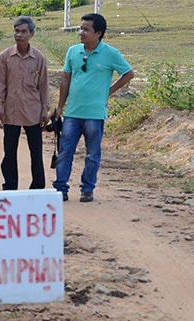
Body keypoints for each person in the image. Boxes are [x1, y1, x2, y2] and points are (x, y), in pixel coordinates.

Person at [52, 13, 134, 202]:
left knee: (92, 154)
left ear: (98, 33)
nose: (81, 32)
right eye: (81, 28)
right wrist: (59, 107)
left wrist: (109, 91)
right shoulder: (73, 51)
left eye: (86, 29)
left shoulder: (111, 53)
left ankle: (87, 189)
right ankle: (60, 188)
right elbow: (66, 79)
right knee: (65, 151)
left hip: (95, 114)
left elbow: (128, 74)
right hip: (73, 112)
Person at [0, 16, 50, 191]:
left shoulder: (39, 58)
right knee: (9, 152)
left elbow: (43, 86)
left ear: (31, 34)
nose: (19, 35)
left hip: (33, 111)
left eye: (24, 31)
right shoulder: (5, 57)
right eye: (16, 31)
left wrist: (44, 110)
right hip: (11, 112)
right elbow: (0, 85)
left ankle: (38, 186)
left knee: (36, 152)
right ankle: (10, 186)